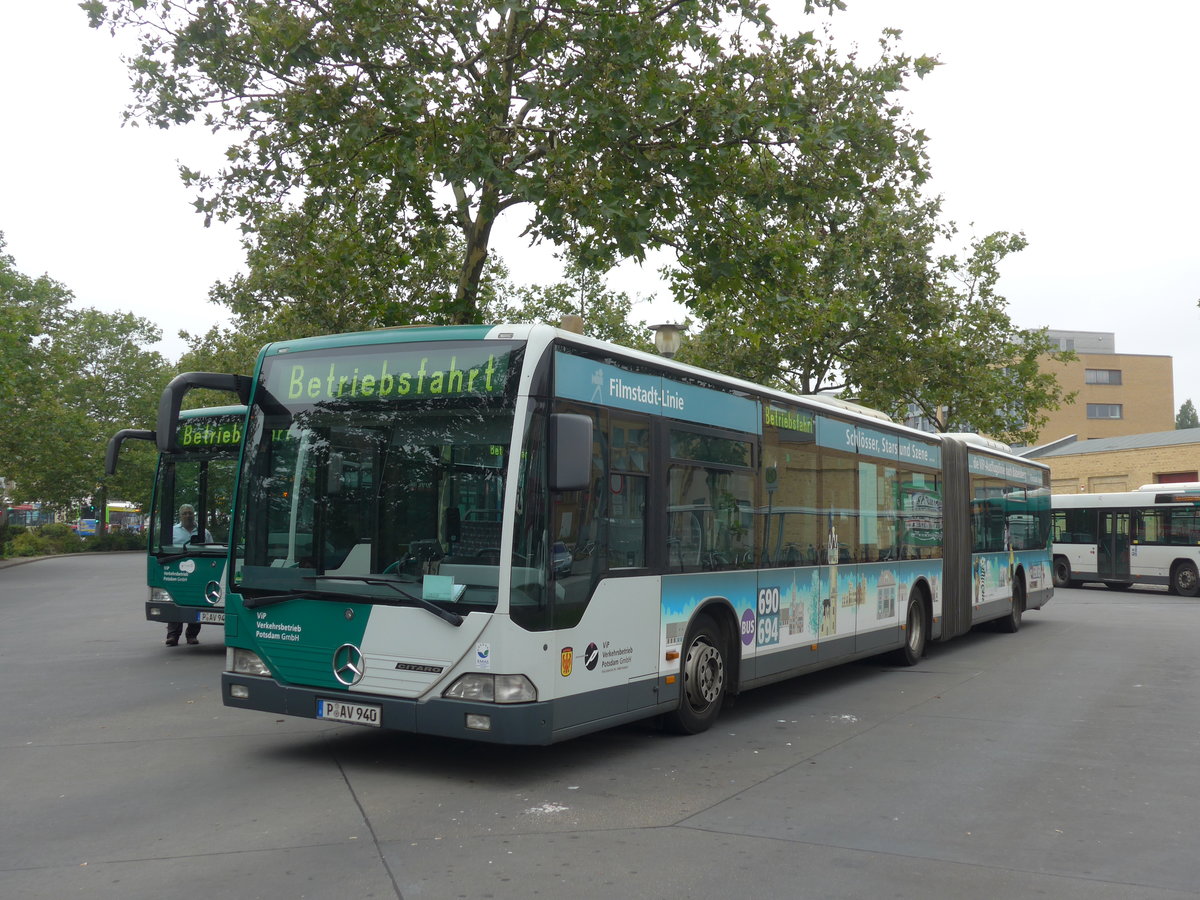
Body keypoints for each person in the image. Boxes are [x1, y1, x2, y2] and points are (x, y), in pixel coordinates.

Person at [165, 504, 213, 647]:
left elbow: (211, 551)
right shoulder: (172, 531)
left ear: (194, 514)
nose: (188, 515)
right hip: (178, 573)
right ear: (180, 516)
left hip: (198, 575)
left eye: (190, 513)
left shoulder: (204, 532)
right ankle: (172, 636)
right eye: (185, 513)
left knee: (196, 603)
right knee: (176, 603)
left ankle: (192, 635)